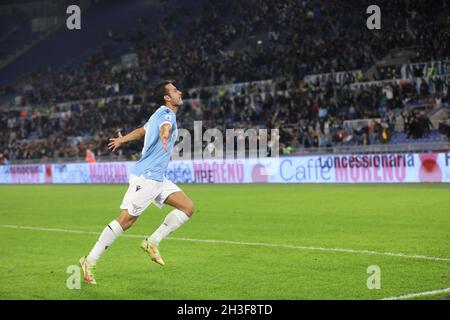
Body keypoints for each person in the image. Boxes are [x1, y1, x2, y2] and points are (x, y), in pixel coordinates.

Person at [79, 80, 195, 284]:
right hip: (147, 176)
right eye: (175, 90)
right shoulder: (166, 115)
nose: (180, 92)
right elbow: (164, 127)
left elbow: (143, 130)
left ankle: (152, 242)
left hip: (158, 177)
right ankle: (89, 260)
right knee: (126, 220)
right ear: (167, 98)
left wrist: (123, 140)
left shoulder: (158, 113)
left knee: (187, 207)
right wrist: (165, 134)